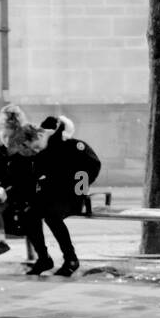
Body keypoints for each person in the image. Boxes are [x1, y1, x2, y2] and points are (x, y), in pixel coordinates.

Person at [0, 104, 52, 272]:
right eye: (4, 134)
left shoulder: (26, 150)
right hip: (2, 193)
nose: (6, 140)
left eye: (11, 136)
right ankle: (0, 244)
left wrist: (9, 190)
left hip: (24, 194)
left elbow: (29, 178)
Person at [31, 115, 103, 276]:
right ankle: (43, 258)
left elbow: (93, 165)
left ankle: (71, 258)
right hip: (51, 197)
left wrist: (81, 189)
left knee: (51, 216)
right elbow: (36, 172)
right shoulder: (44, 151)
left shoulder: (75, 146)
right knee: (30, 214)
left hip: (71, 198)